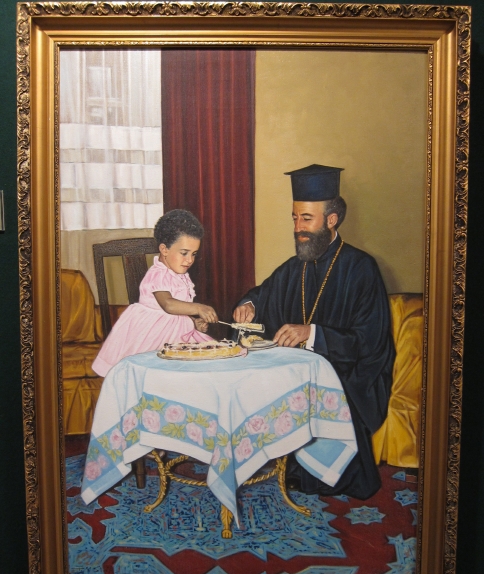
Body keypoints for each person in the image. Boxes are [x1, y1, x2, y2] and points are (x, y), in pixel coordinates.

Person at [233, 164, 395, 499]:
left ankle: (320, 475)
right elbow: (263, 295)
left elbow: (370, 343)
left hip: (347, 375)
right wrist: (248, 304)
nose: (298, 228)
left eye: (306, 219)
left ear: (331, 219)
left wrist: (313, 334)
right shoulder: (295, 267)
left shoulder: (361, 268)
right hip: (297, 373)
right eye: (295, 218)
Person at [92, 209, 218, 377]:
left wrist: (193, 322)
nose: (189, 260)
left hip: (177, 336)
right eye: (184, 253)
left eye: (193, 254)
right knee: (163, 373)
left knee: (210, 360)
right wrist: (198, 308)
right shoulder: (158, 274)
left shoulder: (180, 275)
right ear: (164, 249)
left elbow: (178, 312)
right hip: (153, 338)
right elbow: (168, 305)